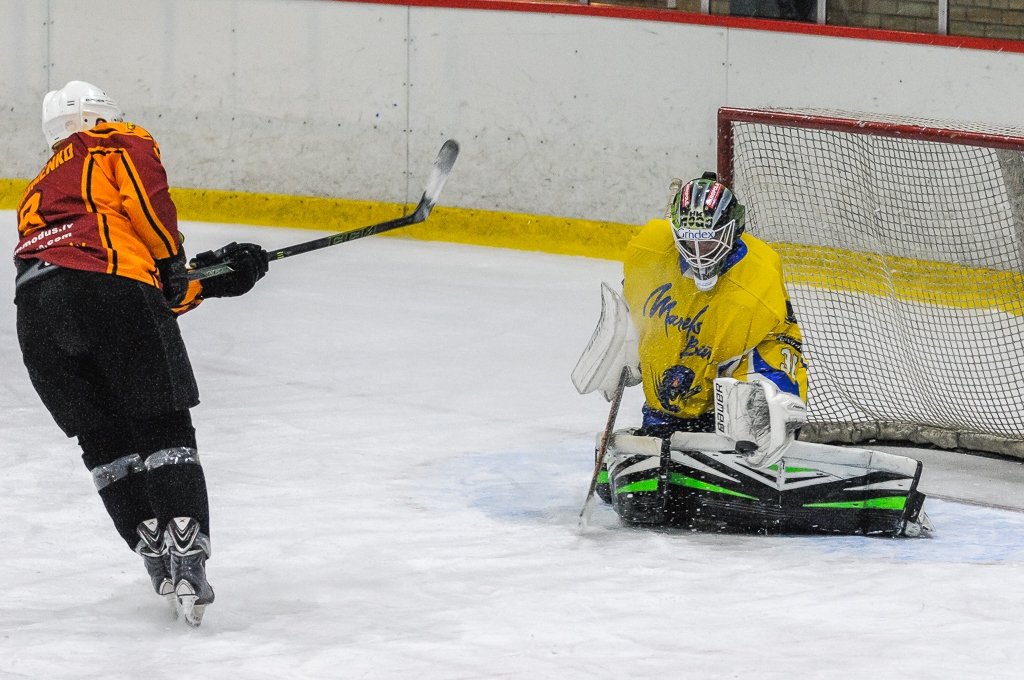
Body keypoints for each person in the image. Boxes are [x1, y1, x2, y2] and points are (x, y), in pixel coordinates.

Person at [13, 81, 268, 627]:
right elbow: (143, 225)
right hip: (107, 289)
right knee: (161, 421)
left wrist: (212, 278)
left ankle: (150, 546)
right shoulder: (110, 142)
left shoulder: (40, 188)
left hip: (35, 315)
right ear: (98, 116)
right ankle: (187, 544)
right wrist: (175, 259)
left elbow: (126, 293)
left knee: (103, 440)